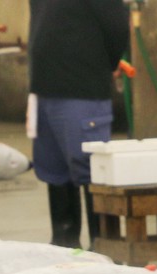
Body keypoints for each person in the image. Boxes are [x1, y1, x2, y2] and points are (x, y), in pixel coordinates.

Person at [28, 0, 128, 247]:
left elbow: (117, 26)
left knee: (92, 172)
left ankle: (102, 248)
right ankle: (65, 246)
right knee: (55, 172)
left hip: (82, 89)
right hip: (44, 89)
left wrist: (108, 64)